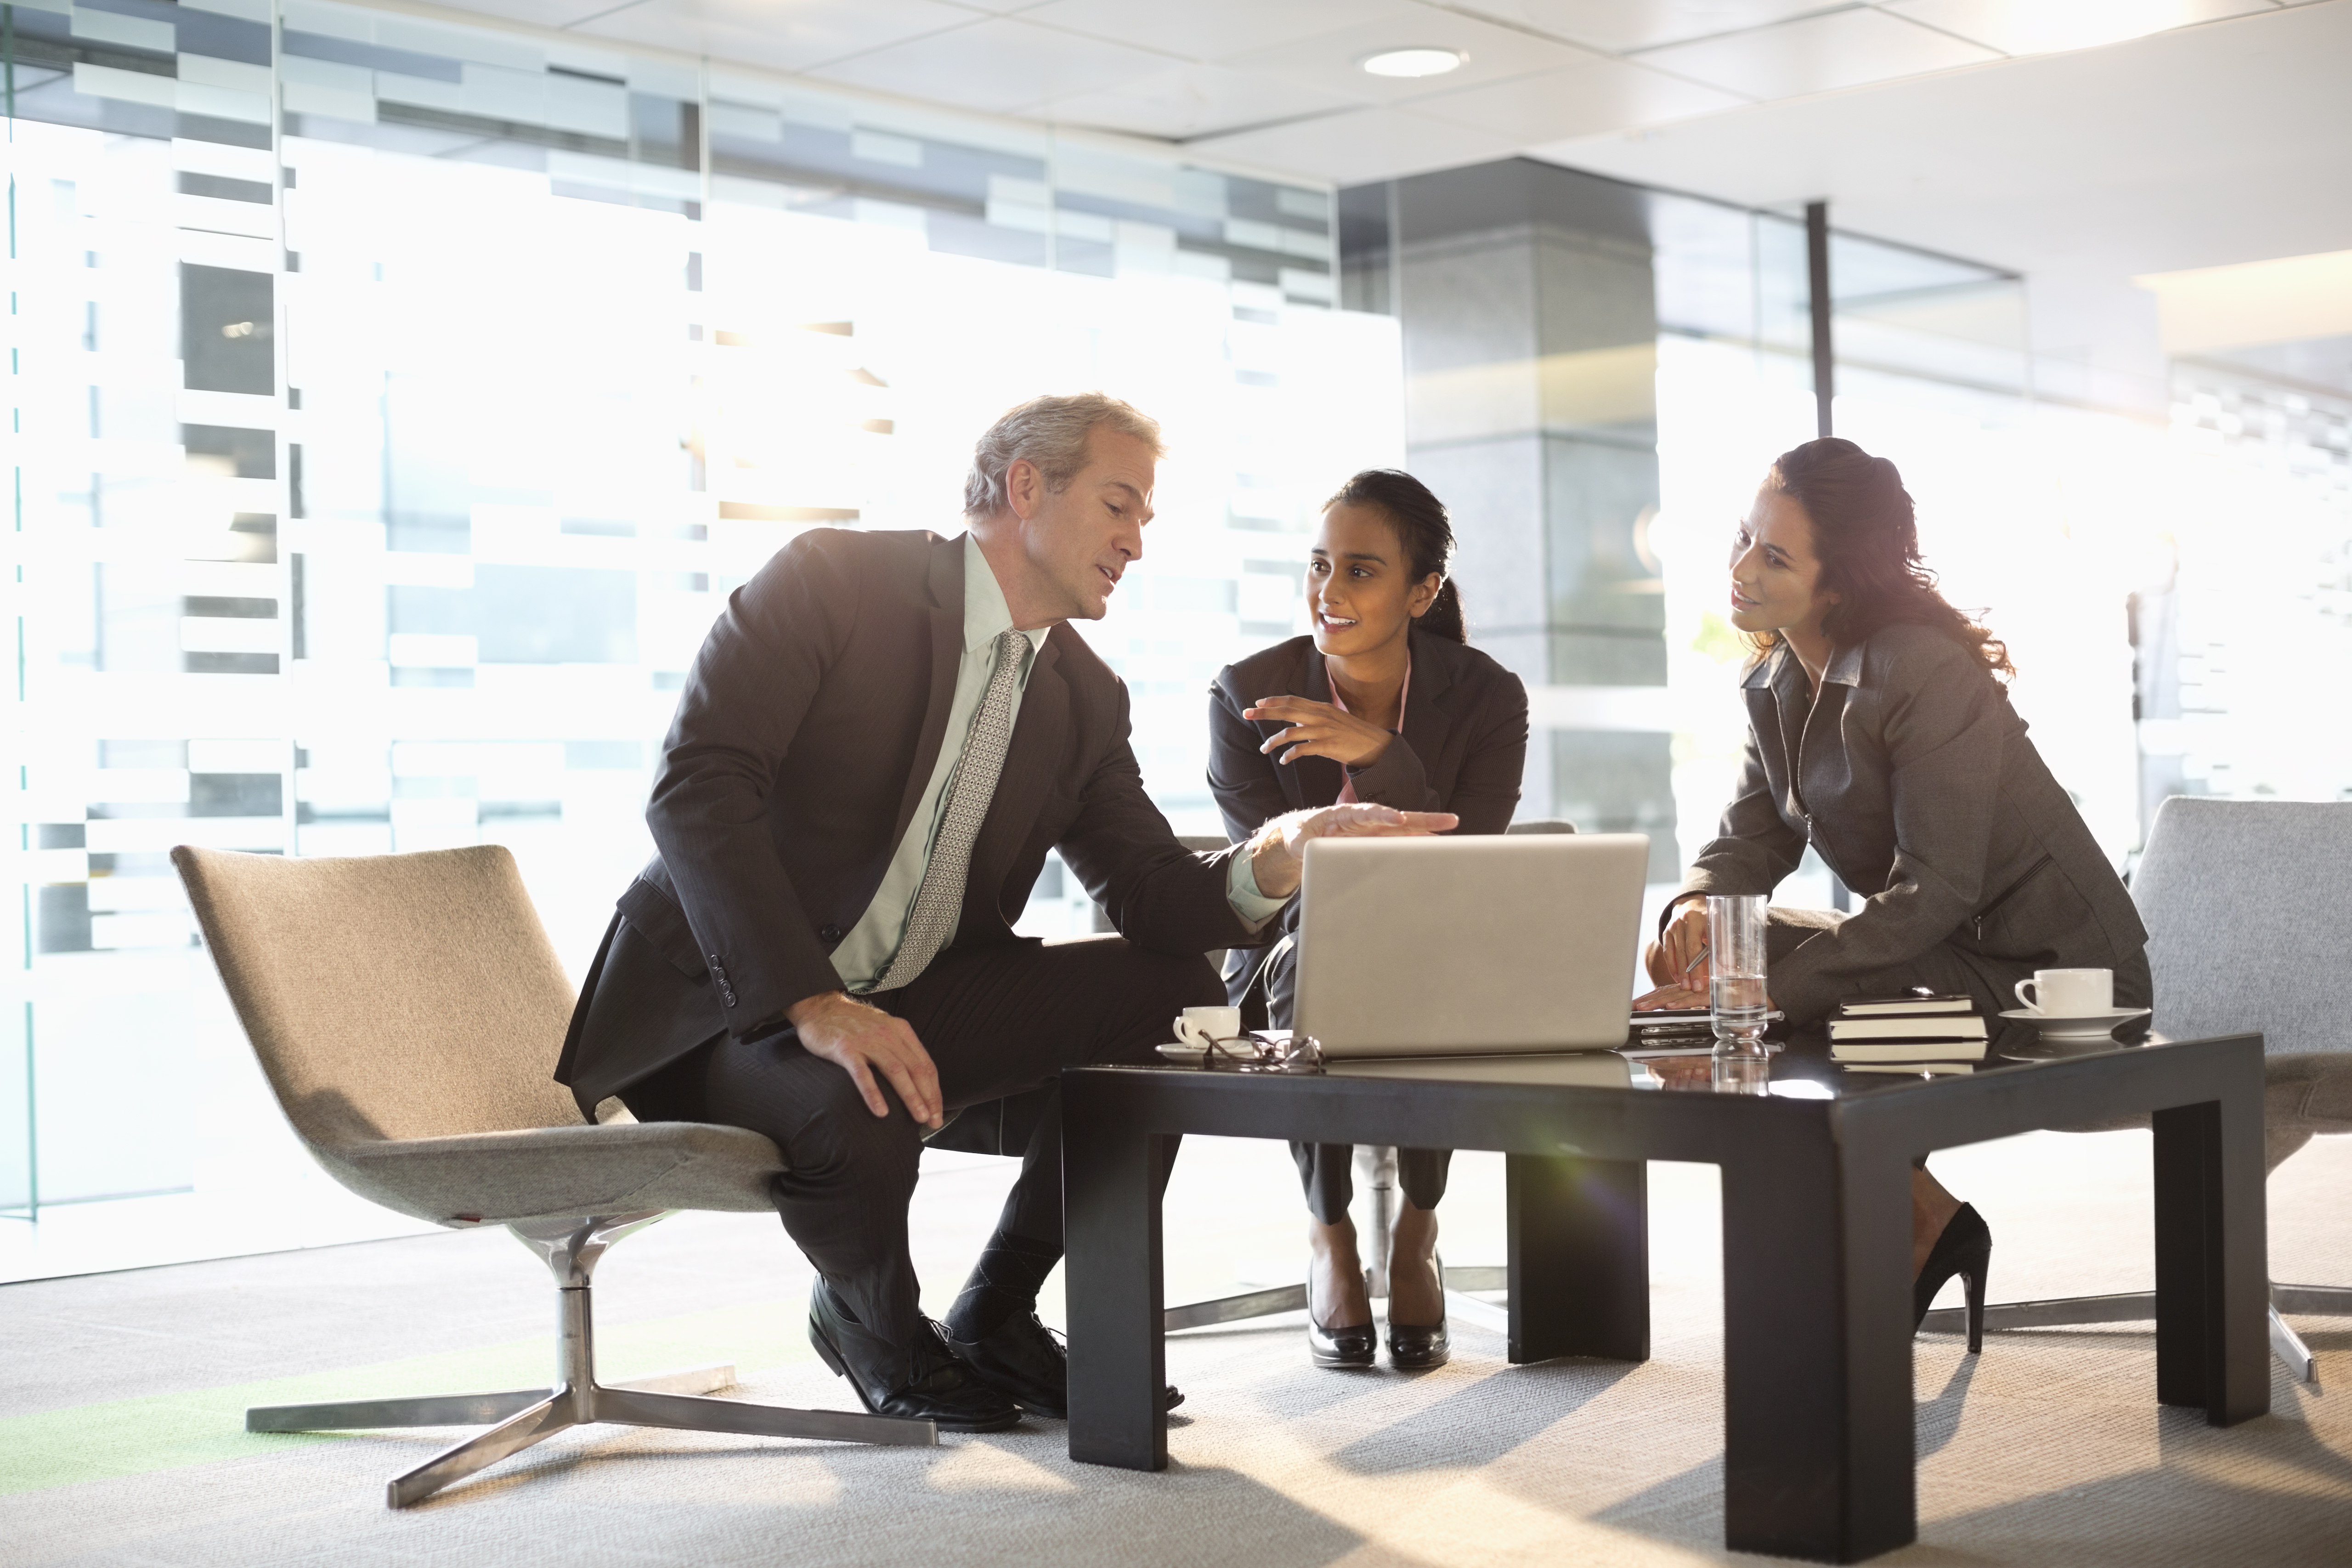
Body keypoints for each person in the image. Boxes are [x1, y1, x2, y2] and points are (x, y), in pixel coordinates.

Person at [555, 394, 1456, 1432]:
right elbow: (695, 786)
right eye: (1120, 506)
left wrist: (1278, 856)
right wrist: (809, 998)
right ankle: (873, 1322)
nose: (1136, 540)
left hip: (913, 994)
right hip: (726, 1009)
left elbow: (1154, 895)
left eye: (1145, 520)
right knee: (852, 1096)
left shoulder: (1082, 695)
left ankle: (996, 1308)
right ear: (1027, 487)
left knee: (1170, 994)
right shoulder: (835, 585)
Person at [1633, 436, 2150, 1342]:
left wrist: (1759, 986)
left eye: (1775, 554)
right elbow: (1749, 837)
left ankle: (1894, 1224)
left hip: (2056, 974)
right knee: (1742, 949)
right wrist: (1696, 912)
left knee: (1779, 990)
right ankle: (1920, 1219)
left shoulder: (1922, 671)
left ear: (1838, 583)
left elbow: (1933, 889)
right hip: (1946, 950)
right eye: (1743, 537)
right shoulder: (1779, 677)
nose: (1740, 565)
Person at [1208, 470, 1528, 1372]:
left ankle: (1417, 1225)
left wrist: (1384, 758)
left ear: (1420, 592)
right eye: (1318, 566)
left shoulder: (1486, 696)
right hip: (1285, 958)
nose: (1328, 592)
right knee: (1327, 951)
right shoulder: (1247, 694)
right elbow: (1268, 884)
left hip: (1441, 942)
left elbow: (1464, 858)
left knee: (1430, 948)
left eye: (1359, 570)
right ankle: (1330, 1232)